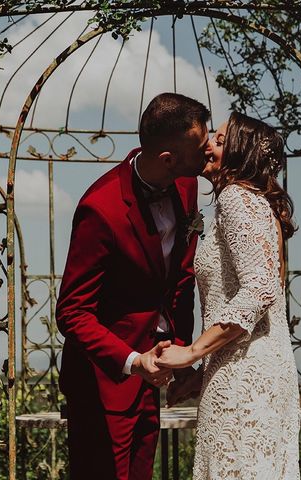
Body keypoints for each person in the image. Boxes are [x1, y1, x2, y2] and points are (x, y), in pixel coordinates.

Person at [55, 92, 211, 480]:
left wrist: (181, 353)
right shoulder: (101, 208)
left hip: (153, 372)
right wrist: (131, 361)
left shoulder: (187, 188)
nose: (207, 152)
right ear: (167, 160)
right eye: (199, 148)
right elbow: (71, 313)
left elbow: (181, 278)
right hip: (104, 381)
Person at [156, 111, 301, 479]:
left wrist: (191, 351)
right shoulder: (249, 202)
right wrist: (200, 374)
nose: (207, 146)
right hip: (249, 366)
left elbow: (260, 289)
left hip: (245, 377)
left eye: (220, 142)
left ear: (240, 155)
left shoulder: (237, 198)